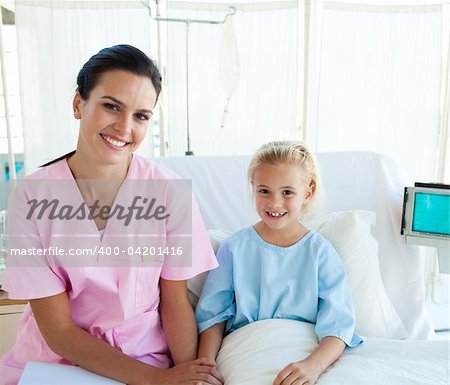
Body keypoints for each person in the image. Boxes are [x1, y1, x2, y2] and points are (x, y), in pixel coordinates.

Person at [0, 44, 223, 385]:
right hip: (56, 366)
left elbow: (174, 302)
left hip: (143, 355)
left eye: (141, 116)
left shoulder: (170, 191)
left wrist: (187, 375)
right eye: (111, 107)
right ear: (79, 104)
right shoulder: (31, 197)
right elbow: (58, 331)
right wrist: (157, 381)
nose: (124, 127)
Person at [195, 140, 363, 385]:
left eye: (287, 192)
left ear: (309, 192)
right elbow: (213, 317)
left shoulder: (320, 253)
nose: (275, 203)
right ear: (253, 188)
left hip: (306, 353)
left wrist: (312, 366)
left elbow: (339, 326)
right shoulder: (234, 248)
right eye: (264, 191)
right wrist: (205, 368)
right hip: (248, 349)